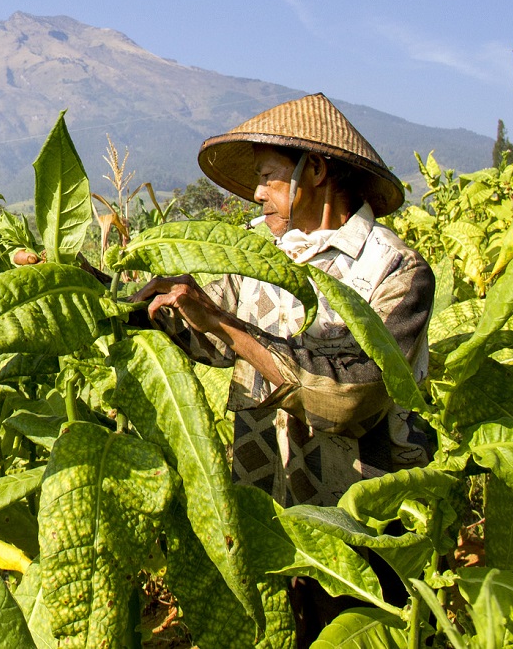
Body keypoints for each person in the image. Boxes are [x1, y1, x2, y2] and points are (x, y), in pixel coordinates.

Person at [134, 93, 436, 640]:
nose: (256, 194)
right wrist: (83, 285)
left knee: (363, 631)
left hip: (362, 521)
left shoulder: (397, 269)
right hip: (269, 502)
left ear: (315, 170)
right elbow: (197, 335)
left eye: (269, 178)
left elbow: (351, 393)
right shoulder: (257, 257)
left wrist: (224, 324)